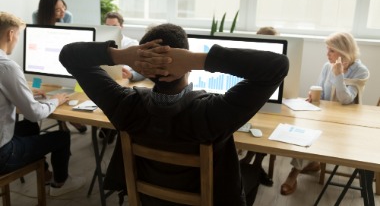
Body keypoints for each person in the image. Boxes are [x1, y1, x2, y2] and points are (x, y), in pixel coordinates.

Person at [60, 23, 289, 205]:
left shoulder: (124, 105)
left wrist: (121, 56)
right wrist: (197, 60)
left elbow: (68, 55)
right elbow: (277, 66)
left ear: (143, 67)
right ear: (185, 61)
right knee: (252, 173)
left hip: (149, 202)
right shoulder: (214, 112)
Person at [0, 12, 85, 196]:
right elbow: (34, 113)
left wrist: (25, 93)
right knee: (61, 137)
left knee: (30, 128)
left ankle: (45, 173)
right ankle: (61, 184)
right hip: (2, 155)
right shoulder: (7, 66)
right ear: (10, 35)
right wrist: (57, 100)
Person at [280, 31, 370, 196]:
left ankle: (295, 172)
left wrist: (339, 75)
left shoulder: (360, 71)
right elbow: (320, 89)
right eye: (327, 50)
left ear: (343, 51)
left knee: (314, 132)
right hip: (325, 115)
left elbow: (346, 99)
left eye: (331, 50)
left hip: (348, 122)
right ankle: (307, 164)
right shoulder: (327, 66)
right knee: (305, 129)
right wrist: (312, 96)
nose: (327, 54)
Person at [32, 0, 86, 134]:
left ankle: (69, 118)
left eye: (63, 7)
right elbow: (37, 36)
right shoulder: (36, 15)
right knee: (37, 81)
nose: (63, 11)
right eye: (57, 9)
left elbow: (66, 38)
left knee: (65, 86)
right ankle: (61, 121)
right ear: (48, 11)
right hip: (43, 52)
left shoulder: (67, 16)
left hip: (61, 50)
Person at [239, 26, 280, 187]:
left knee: (267, 129)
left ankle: (254, 163)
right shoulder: (250, 56)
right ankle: (253, 164)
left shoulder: (279, 58)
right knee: (256, 127)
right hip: (249, 100)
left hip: (269, 103)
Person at [99, 12, 145, 144]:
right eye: (107, 26)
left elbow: (140, 70)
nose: (111, 29)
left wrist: (130, 74)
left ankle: (113, 128)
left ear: (121, 26)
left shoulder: (132, 43)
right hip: (104, 80)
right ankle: (108, 126)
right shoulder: (99, 44)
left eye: (114, 26)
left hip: (123, 83)